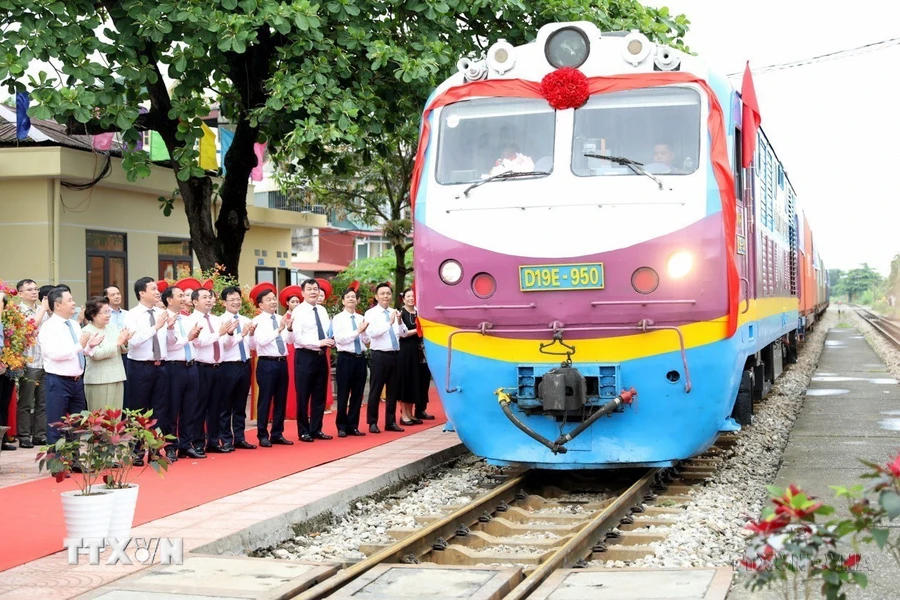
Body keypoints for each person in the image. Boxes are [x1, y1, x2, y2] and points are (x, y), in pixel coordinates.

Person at [38, 287, 103, 444]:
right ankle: (56, 463)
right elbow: (54, 354)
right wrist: (80, 346)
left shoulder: (73, 324)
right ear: (58, 305)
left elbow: (81, 351)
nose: (74, 303)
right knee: (56, 424)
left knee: (75, 424)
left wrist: (90, 346)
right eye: (70, 300)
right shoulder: (48, 327)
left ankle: (73, 460)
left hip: (76, 381)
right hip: (58, 381)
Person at [289, 279, 334, 442]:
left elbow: (325, 331)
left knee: (319, 395)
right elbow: (298, 338)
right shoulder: (298, 311)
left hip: (321, 357)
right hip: (305, 356)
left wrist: (329, 340)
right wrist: (318, 343)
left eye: (316, 289)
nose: (313, 292)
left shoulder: (322, 310)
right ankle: (303, 431)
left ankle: (316, 429)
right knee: (303, 395)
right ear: (303, 293)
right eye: (310, 289)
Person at [251, 284, 294, 447]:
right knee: (265, 400)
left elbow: (289, 342)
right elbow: (260, 342)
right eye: (268, 300)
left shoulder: (281, 318)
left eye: (274, 299)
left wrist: (288, 329)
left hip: (282, 362)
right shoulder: (257, 321)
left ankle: (277, 433)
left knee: (281, 400)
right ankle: (262, 434)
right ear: (260, 305)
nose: (273, 302)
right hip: (267, 363)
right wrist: (278, 330)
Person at [162, 285, 202, 461]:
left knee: (190, 408)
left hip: (191, 366)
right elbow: (171, 345)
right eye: (180, 295)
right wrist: (188, 337)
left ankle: (186, 444)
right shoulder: (163, 319)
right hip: (174, 367)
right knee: (172, 408)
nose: (184, 298)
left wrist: (195, 336)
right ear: (170, 300)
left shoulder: (186, 319)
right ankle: (171, 446)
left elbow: (194, 343)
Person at [363, 282, 407, 433]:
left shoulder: (394, 311)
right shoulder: (371, 314)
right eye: (382, 294)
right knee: (376, 390)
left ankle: (390, 421)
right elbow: (372, 334)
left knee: (393, 391)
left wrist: (399, 321)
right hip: (379, 355)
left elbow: (403, 333)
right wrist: (389, 323)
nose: (386, 296)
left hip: (395, 355)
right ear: (376, 296)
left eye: (388, 293)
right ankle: (372, 422)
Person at [218, 286, 257, 450]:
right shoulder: (221, 321)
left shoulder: (246, 320)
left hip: (244, 364)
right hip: (228, 365)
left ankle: (240, 437)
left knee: (241, 404)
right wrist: (239, 334)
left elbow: (253, 346)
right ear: (224, 302)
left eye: (238, 299)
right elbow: (225, 346)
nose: (236, 302)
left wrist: (252, 333)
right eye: (232, 299)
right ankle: (226, 439)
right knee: (226, 404)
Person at [331, 284, 369, 437]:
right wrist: (357, 331)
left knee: (358, 394)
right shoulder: (338, 319)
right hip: (345, 358)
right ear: (343, 301)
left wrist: (364, 333)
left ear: (357, 301)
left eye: (354, 297)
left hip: (360, 358)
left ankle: (353, 425)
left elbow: (365, 340)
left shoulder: (361, 318)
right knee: (343, 393)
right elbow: (340, 339)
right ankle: (341, 426)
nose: (351, 299)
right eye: (348, 297)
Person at [81, 296, 131, 411]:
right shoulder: (86, 331)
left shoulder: (112, 327)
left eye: (109, 312)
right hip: (99, 380)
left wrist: (125, 341)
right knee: (101, 419)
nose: (108, 315)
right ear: (93, 315)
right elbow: (96, 355)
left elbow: (122, 349)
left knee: (116, 418)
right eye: (104, 312)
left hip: (117, 376)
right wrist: (118, 343)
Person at [15, 278, 48, 448]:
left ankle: (40, 434)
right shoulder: (19, 311)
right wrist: (42, 309)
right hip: (29, 362)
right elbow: (31, 327)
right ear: (20, 294)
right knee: (26, 402)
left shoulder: (42, 310)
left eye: (36, 289)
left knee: (42, 402)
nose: (34, 292)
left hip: (44, 362)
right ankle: (24, 435)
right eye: (29, 289)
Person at [397, 288, 422, 426]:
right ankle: (404, 414)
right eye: (408, 296)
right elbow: (402, 334)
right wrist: (418, 330)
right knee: (405, 382)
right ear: (403, 298)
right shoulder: (401, 314)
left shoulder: (419, 312)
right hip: (405, 351)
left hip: (417, 351)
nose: (411, 298)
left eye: (413, 296)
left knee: (414, 381)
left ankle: (411, 413)